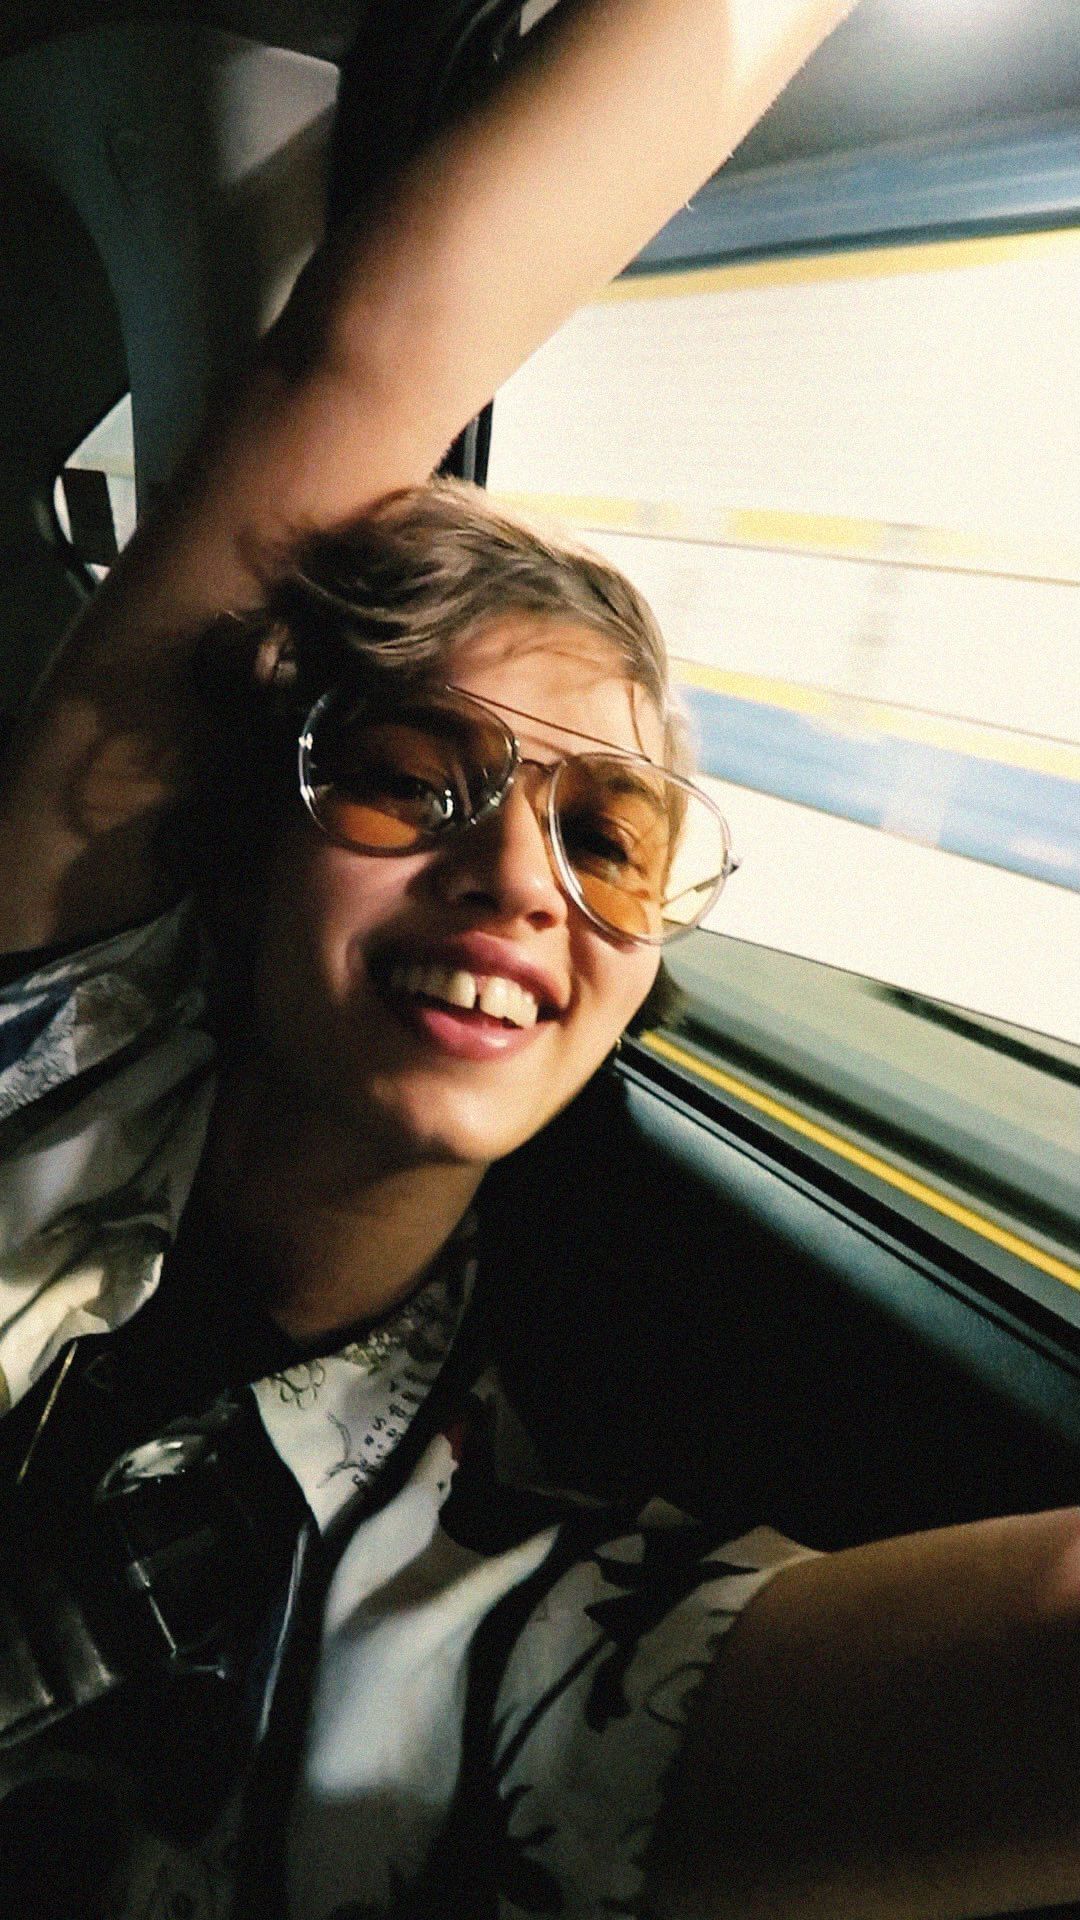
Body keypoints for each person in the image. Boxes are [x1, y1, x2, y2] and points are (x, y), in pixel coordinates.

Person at [4, 2, 1080, 1916]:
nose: (518, 879)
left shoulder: (496, 1643)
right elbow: (363, 359)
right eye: (412, 782)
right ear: (239, 862)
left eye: (609, 840)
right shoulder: (42, 1057)